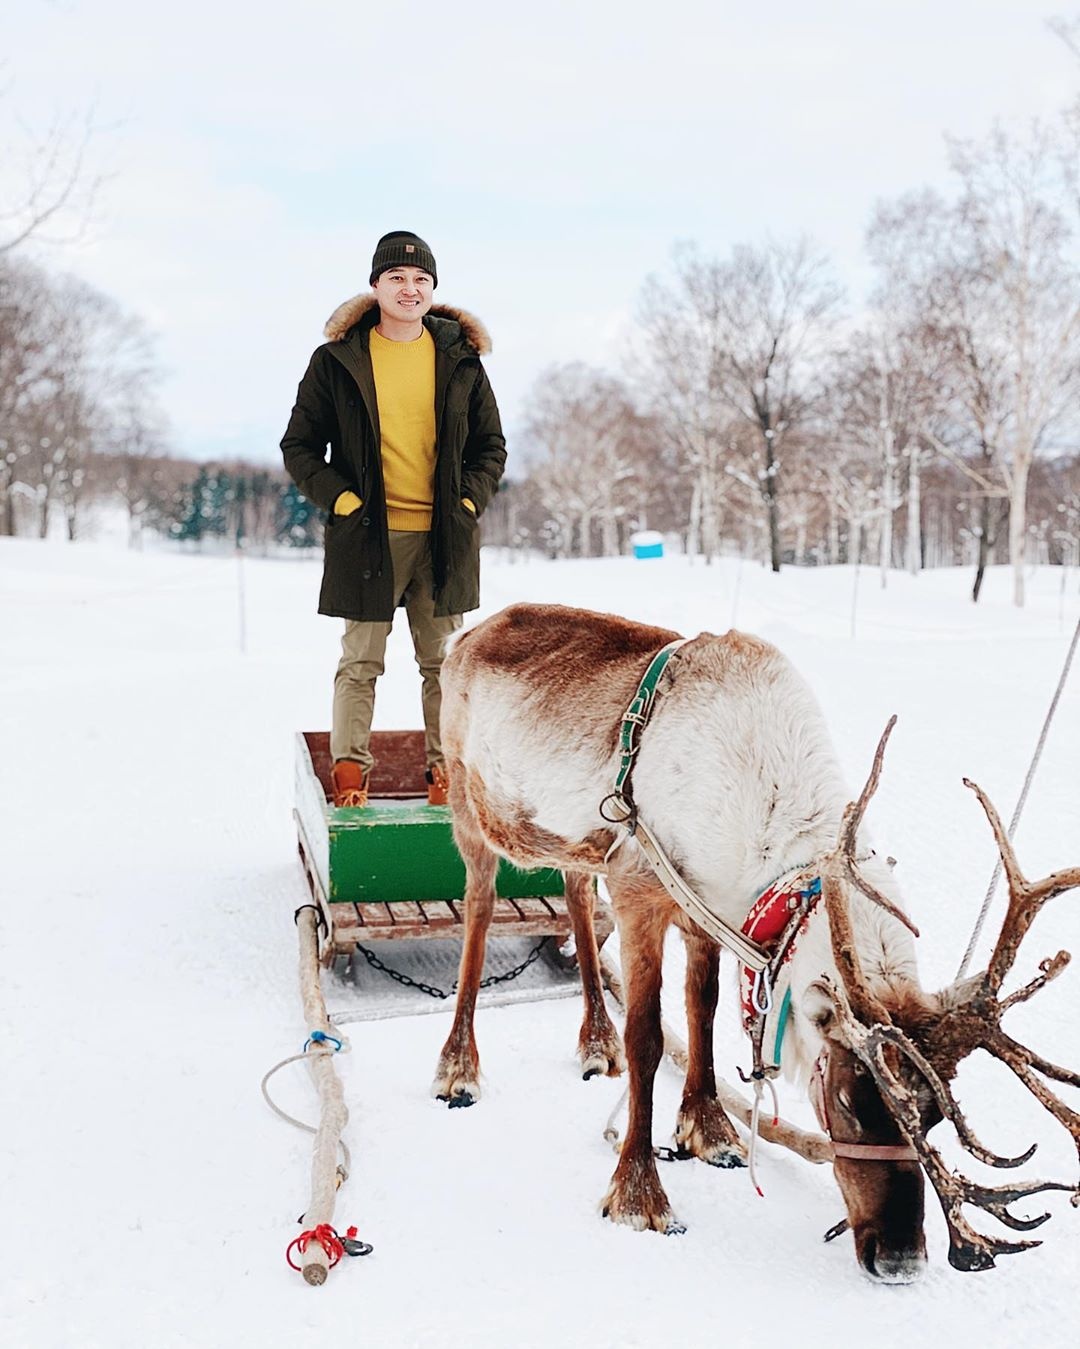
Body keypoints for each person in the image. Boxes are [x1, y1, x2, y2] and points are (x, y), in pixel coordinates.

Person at [281, 231, 506, 807]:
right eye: (398, 278)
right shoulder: (337, 361)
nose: (410, 288)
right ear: (376, 285)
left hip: (443, 539)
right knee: (360, 662)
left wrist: (468, 503)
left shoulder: (460, 359)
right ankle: (350, 776)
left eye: (422, 280)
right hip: (367, 539)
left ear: (433, 289)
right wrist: (344, 501)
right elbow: (300, 446)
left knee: (444, 666)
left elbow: (491, 446)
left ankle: (445, 775)